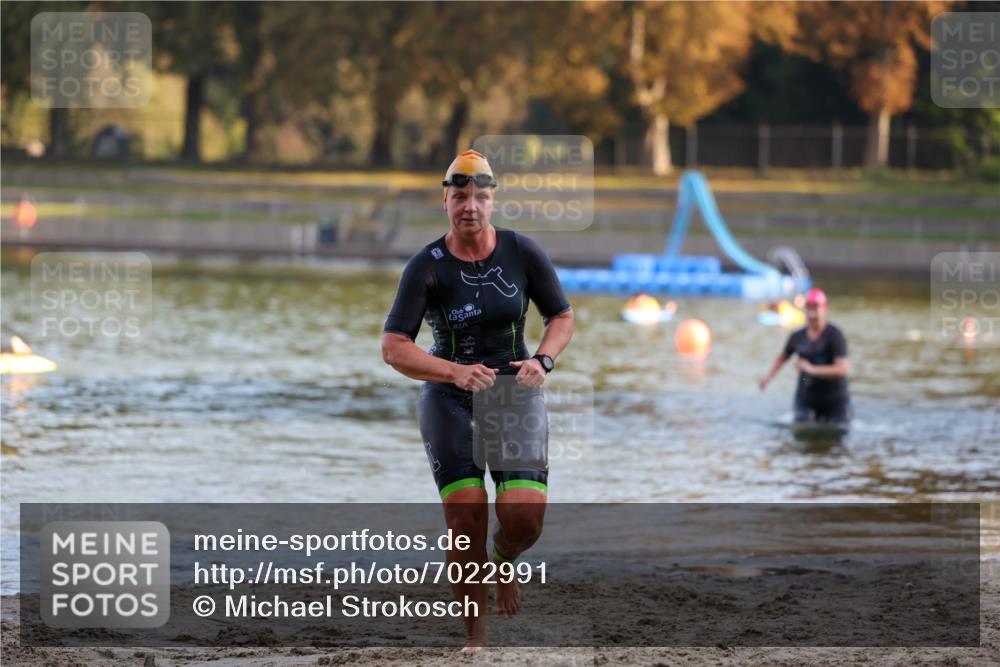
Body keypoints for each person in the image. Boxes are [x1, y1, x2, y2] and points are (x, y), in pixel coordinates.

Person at [381, 149, 574, 650]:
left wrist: (544, 361)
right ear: (445, 200)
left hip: (514, 394)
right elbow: (393, 348)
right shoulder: (426, 265)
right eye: (460, 196)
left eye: (480, 197)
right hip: (450, 399)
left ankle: (504, 558)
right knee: (466, 520)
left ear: (493, 202)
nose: (470, 205)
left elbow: (562, 317)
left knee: (524, 520)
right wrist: (454, 372)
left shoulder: (522, 251)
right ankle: (476, 639)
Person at [758, 287, 851, 424]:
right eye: (809, 309)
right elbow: (782, 357)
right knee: (801, 429)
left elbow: (843, 370)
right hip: (806, 388)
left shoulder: (835, 336)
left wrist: (811, 369)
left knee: (837, 431)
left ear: (824, 309)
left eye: (816, 309)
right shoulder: (797, 336)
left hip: (833, 394)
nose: (812, 315)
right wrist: (767, 378)